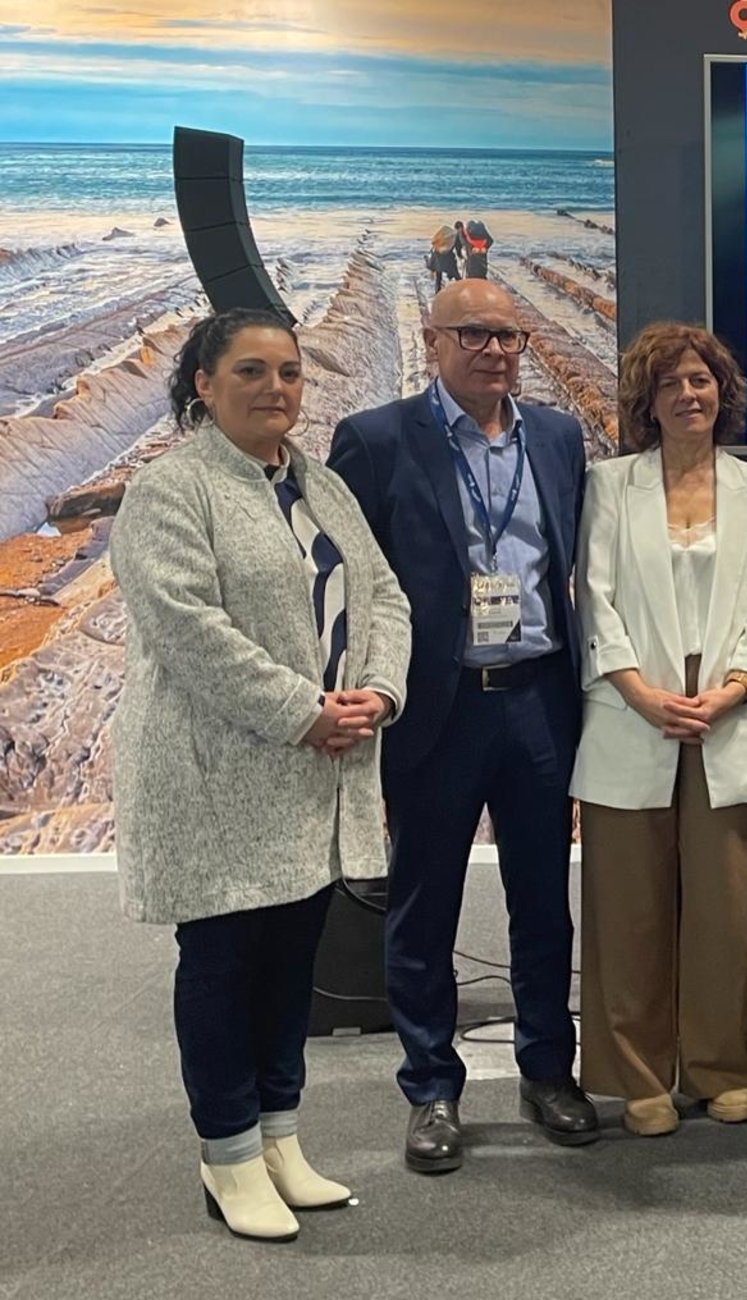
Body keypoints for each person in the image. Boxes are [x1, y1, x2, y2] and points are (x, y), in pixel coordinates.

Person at [109, 308, 410, 1243]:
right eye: (250, 371)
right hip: (215, 773)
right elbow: (186, 628)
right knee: (222, 965)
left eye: (289, 372)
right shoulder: (170, 489)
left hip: (316, 774)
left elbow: (385, 595)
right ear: (203, 385)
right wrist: (302, 710)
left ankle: (280, 1138)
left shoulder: (319, 483)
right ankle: (229, 1155)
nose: (275, 388)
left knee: (289, 967)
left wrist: (378, 693)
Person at [329, 278, 596, 1174]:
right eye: (473, 334)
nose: (494, 350)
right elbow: (350, 584)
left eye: (507, 336)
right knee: (424, 903)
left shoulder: (556, 437)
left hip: (538, 701)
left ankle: (547, 1071)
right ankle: (432, 1088)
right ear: (432, 340)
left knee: (543, 903)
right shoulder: (375, 440)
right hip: (437, 708)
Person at [570, 322, 747, 1133]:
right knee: (629, 910)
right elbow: (595, 599)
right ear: (647, 400)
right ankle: (639, 1077)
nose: (688, 395)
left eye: (700, 380)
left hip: (728, 716)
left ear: (722, 393)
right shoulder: (609, 484)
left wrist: (733, 689)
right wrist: (640, 693)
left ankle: (718, 1066)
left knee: (723, 912)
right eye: (670, 384)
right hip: (633, 712)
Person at [427, 226, 460, 293]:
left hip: (439, 260)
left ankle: (437, 293)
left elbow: (433, 257)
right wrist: (461, 256)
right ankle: (461, 290)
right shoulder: (454, 238)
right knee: (457, 277)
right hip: (449, 260)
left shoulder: (438, 245)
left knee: (438, 279)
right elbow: (458, 248)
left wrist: (431, 270)